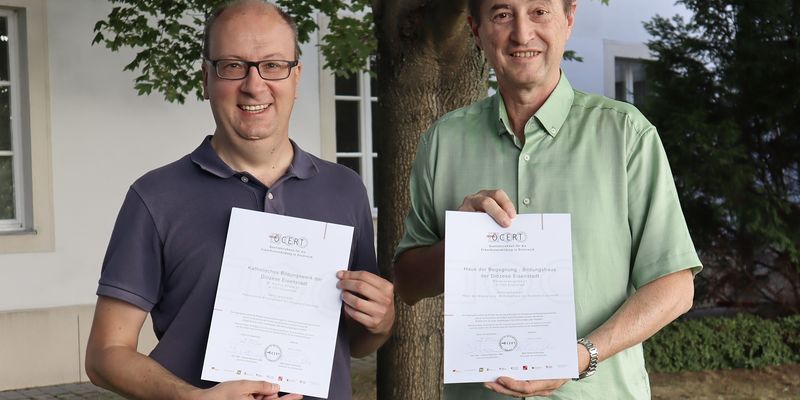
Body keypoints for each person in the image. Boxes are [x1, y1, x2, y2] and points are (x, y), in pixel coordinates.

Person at [85, 1, 394, 399]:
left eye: (273, 65)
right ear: (206, 79)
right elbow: (105, 354)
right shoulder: (154, 197)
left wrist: (381, 321)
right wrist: (193, 398)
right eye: (233, 66)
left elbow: (355, 343)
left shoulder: (345, 189)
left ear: (296, 77)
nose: (254, 84)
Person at [393, 0, 701, 398]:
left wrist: (582, 355)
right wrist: (459, 243)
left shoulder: (627, 135)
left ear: (569, 19)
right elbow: (408, 284)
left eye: (539, 11)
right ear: (476, 30)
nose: (522, 34)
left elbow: (676, 286)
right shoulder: (441, 142)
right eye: (502, 15)